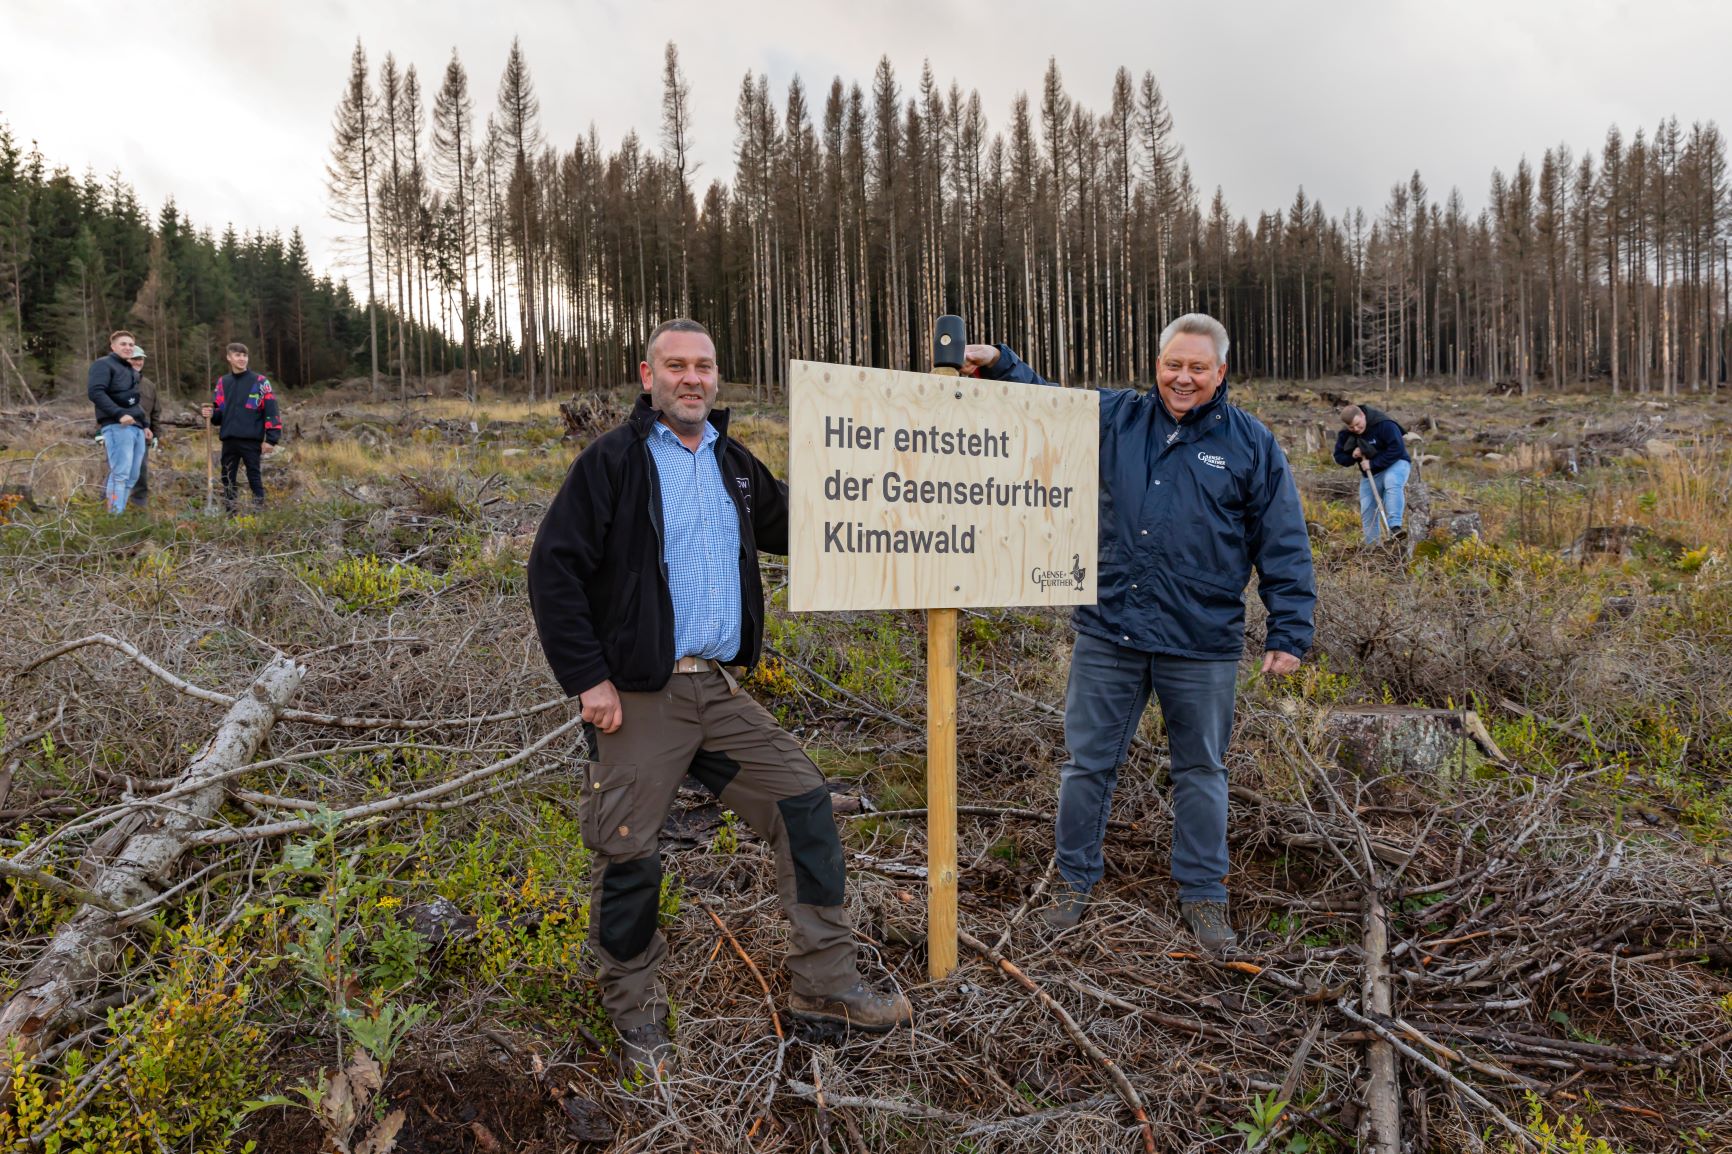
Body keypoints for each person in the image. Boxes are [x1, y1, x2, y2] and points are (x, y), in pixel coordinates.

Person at [527, 318, 912, 1080]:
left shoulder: (734, 464)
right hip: (640, 696)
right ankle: (635, 1015)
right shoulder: (613, 463)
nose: (692, 379)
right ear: (648, 375)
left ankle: (825, 990)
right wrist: (588, 680)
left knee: (803, 805)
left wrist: (900, 508)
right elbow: (553, 570)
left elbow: (796, 521)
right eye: (676, 366)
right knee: (630, 848)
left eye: (704, 366)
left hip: (717, 690)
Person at [965, 314, 1316, 951]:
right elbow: (1048, 402)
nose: (1183, 377)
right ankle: (1073, 882)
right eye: (1173, 364)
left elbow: (1283, 539)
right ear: (1157, 364)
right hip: (1110, 630)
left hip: (1201, 640)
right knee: (1087, 765)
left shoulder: (1250, 444)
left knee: (1201, 770)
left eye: (1197, 367)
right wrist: (1001, 365)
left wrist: (1288, 630)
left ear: (1220, 372)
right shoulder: (1117, 418)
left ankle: (1205, 897)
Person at [200, 343, 280, 511]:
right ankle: (231, 513)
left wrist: (271, 439)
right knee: (227, 478)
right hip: (229, 439)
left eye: (244, 355)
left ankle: (259, 513)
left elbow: (271, 410)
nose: (242, 359)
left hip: (251, 440)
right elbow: (220, 414)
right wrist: (211, 414)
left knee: (254, 478)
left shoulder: (260, 382)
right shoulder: (223, 382)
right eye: (237, 355)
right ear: (229, 358)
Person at [87, 330, 150, 514]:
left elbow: (134, 402)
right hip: (117, 426)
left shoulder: (130, 371)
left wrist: (145, 425)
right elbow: (96, 392)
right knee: (120, 474)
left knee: (132, 476)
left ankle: (119, 513)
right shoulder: (103, 365)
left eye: (131, 344)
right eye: (123, 344)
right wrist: (118, 414)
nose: (128, 347)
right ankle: (113, 517)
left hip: (136, 428)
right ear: (113, 346)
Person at [1333, 404, 1411, 543]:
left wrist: (1373, 463)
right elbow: (1339, 457)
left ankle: (1395, 528)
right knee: (1367, 507)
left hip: (1397, 463)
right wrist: (1353, 455)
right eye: (1352, 427)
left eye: (1358, 424)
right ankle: (1373, 547)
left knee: (1391, 481)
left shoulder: (1384, 424)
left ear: (1363, 415)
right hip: (1371, 474)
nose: (1356, 429)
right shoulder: (1346, 434)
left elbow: (1397, 448)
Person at [128, 348, 161, 509]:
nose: (137, 362)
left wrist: (155, 435)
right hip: (119, 432)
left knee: (141, 473)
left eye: (140, 359)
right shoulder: (115, 380)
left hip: (143, 434)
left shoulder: (149, 386)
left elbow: (155, 412)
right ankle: (108, 508)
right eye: (134, 358)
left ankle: (138, 508)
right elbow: (104, 406)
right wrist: (100, 431)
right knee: (116, 471)